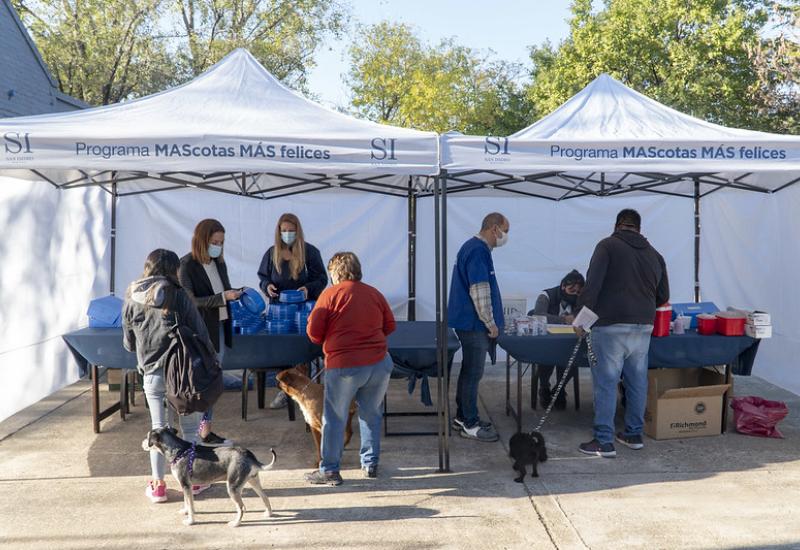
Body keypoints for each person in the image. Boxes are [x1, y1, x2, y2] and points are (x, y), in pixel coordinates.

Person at [122, 249, 215, 503]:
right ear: (174, 270)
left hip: (151, 374)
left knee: (158, 430)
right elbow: (201, 332)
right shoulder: (178, 295)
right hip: (183, 373)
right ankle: (194, 484)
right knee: (189, 430)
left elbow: (129, 344)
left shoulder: (131, 297)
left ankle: (158, 486)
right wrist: (211, 360)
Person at [577, 209, 669, 458]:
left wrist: (581, 320)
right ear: (638, 228)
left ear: (617, 225)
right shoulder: (655, 255)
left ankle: (604, 441)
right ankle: (633, 434)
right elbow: (663, 296)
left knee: (606, 382)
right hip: (643, 326)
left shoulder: (607, 246)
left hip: (610, 326)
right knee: (637, 381)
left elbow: (592, 286)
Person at [304, 252, 396, 486]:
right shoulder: (374, 293)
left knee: (334, 417)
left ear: (334, 273)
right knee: (371, 412)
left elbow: (314, 334)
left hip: (344, 366)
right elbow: (390, 326)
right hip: (378, 363)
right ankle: (370, 463)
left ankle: (330, 470)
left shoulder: (330, 295)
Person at [447, 212, 509, 442]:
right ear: (494, 229)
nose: (505, 236)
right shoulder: (478, 251)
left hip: (468, 321)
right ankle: (470, 424)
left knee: (468, 371)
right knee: (473, 373)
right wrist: (491, 323)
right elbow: (479, 290)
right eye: (505, 230)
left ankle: (463, 417)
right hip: (473, 324)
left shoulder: (471, 248)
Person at [179, 218, 240, 447]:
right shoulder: (187, 265)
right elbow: (191, 301)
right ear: (202, 240)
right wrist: (223, 297)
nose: (218, 246)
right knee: (203, 384)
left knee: (213, 384)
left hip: (220, 330)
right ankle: (197, 433)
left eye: (221, 242)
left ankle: (206, 431)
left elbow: (223, 290)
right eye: (215, 242)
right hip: (202, 334)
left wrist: (235, 294)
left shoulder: (218, 263)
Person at [257, 213, 327, 408]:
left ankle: (305, 391)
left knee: (301, 352)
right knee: (282, 352)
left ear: (298, 231)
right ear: (279, 232)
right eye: (284, 231)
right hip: (279, 314)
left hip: (303, 314)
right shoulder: (272, 253)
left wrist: (308, 289)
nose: (288, 234)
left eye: (291, 231)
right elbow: (263, 277)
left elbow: (322, 279)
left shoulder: (310, 252)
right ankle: (285, 391)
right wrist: (266, 286)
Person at [528, 269, 585, 410]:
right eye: (572, 290)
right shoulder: (546, 295)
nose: (575, 295)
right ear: (563, 286)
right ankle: (544, 387)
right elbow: (538, 315)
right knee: (547, 358)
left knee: (573, 359)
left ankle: (559, 388)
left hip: (569, 342)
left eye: (578, 292)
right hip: (547, 342)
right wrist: (563, 319)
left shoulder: (581, 300)